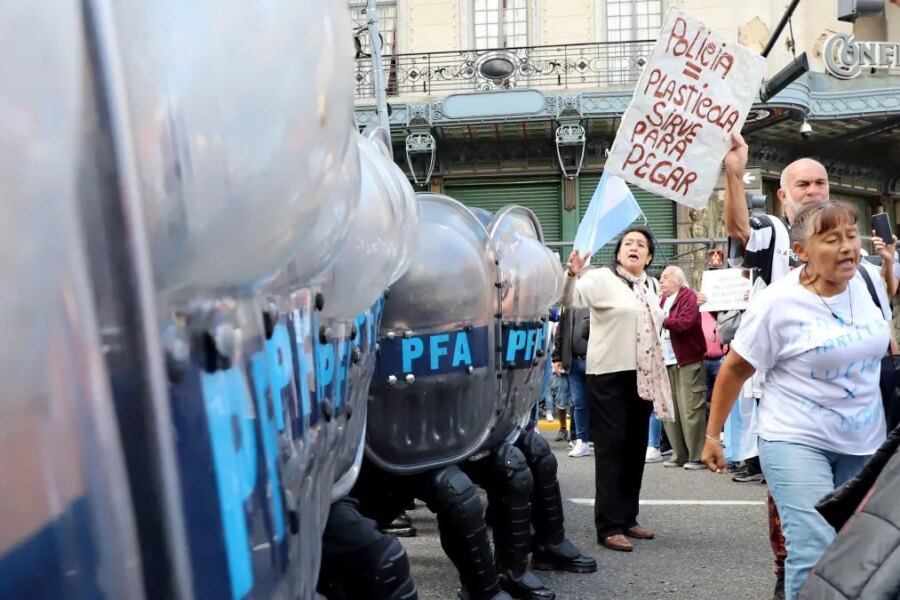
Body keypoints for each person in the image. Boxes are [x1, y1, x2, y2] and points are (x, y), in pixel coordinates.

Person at [716, 132, 897, 600]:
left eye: (821, 182)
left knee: (857, 548)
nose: (814, 190)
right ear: (784, 195)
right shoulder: (775, 236)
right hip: (794, 425)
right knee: (809, 544)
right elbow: (738, 227)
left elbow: (882, 321)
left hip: (863, 433)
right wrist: (734, 172)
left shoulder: (868, 276)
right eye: (803, 184)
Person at [562, 227, 674, 553]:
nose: (634, 248)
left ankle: (628, 517)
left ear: (650, 256)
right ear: (619, 252)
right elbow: (569, 299)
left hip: (642, 374)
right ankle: (608, 525)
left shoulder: (650, 286)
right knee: (611, 449)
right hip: (608, 374)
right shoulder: (601, 280)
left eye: (641, 245)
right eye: (628, 244)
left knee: (635, 447)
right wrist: (571, 273)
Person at [658, 266, 708, 470]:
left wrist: (661, 319)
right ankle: (679, 453)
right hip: (666, 360)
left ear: (678, 280)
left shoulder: (688, 296)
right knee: (671, 410)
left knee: (690, 408)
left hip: (686, 360)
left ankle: (696, 455)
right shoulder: (661, 300)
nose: (661, 280)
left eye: (665, 277)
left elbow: (685, 323)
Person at [551, 302, 591, 457]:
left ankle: (600, 440)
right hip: (573, 362)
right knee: (579, 403)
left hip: (594, 361)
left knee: (599, 403)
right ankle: (582, 441)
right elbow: (560, 332)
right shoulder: (569, 306)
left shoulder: (597, 301)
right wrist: (557, 358)